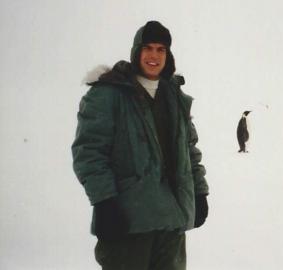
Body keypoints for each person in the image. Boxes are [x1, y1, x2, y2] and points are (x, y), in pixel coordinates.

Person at [72, 21, 209, 270]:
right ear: (136, 52)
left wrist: (199, 192)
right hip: (128, 223)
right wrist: (104, 202)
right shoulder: (109, 93)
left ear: (168, 54)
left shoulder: (174, 97)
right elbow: (89, 152)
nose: (154, 56)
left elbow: (189, 150)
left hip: (172, 223)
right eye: (148, 48)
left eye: (161, 49)